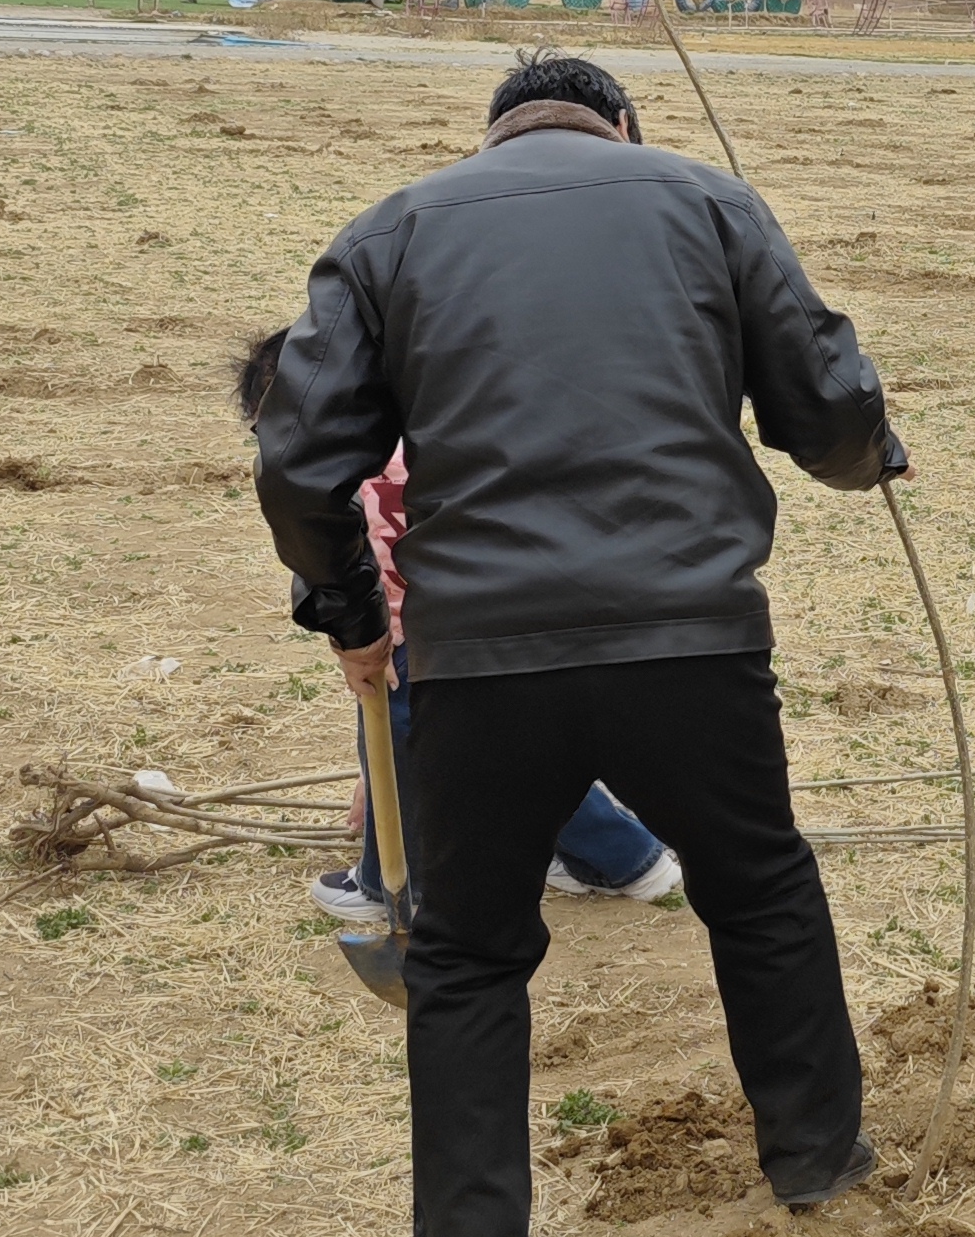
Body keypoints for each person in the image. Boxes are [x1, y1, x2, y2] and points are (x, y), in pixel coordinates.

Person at [252, 54, 902, 1237]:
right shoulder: (704, 201)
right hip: (688, 638)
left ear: (494, 134)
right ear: (622, 124)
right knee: (759, 886)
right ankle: (819, 1157)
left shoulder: (393, 231)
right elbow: (824, 399)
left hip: (481, 659)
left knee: (469, 952)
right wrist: (863, 451)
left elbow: (297, 455)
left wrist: (350, 611)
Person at [230, 333, 681, 915]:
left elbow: (370, 580)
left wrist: (378, 717)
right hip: (516, 613)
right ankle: (624, 861)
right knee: (523, 749)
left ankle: (391, 884)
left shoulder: (333, 476)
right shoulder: (436, 427)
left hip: (419, 639)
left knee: (427, 749)